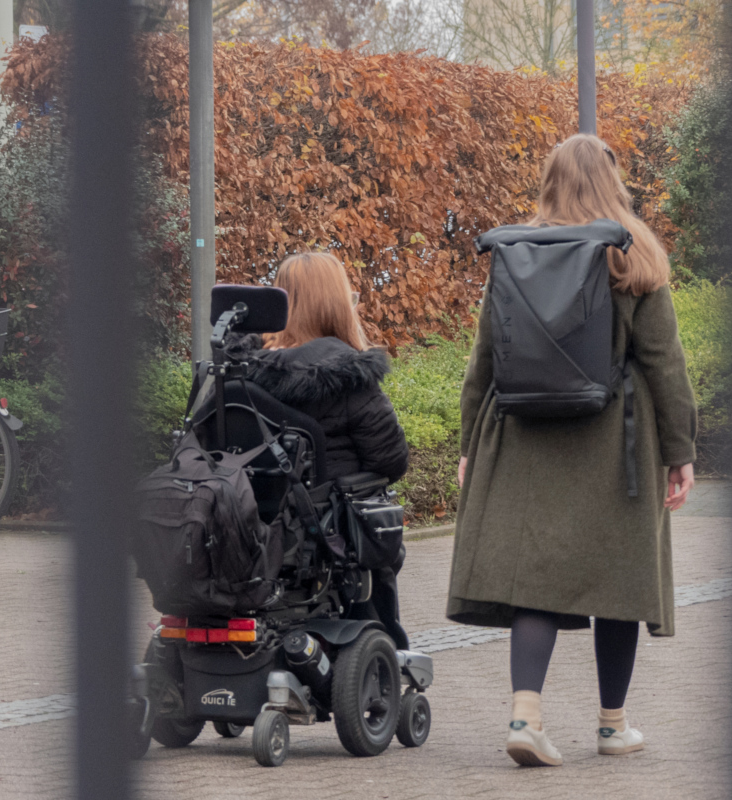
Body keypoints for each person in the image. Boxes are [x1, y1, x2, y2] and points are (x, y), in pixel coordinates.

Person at [446, 134, 698, 767]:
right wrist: (680, 449)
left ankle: (526, 714)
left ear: (550, 180)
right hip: (616, 440)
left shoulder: (515, 252)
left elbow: (485, 357)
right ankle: (612, 725)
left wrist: (469, 440)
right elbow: (664, 361)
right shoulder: (632, 253)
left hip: (526, 433)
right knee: (618, 576)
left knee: (537, 579)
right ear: (611, 181)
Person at [236, 252, 411, 647]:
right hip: (324, 535)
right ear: (336, 303)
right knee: (378, 532)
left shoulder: (239, 372)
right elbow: (391, 460)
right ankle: (382, 643)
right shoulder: (349, 378)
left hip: (248, 526)